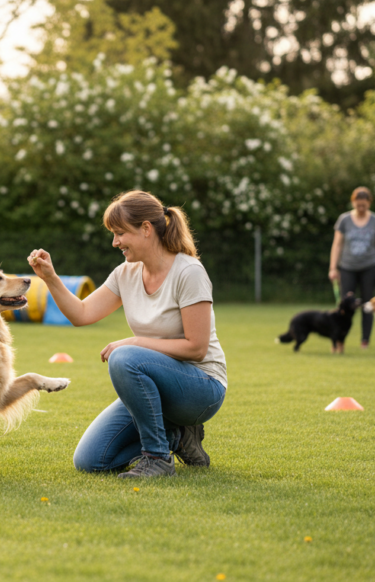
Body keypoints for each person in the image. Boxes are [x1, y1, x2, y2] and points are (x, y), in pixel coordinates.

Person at [27, 190, 227, 478]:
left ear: (146, 229)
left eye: (120, 233)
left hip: (201, 387)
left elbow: (196, 348)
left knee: (124, 357)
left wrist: (134, 342)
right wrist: (50, 277)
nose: (115, 242)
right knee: (90, 460)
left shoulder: (189, 272)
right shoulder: (126, 273)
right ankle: (178, 438)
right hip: (158, 387)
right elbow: (81, 314)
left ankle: (158, 458)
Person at [328, 187, 375, 348]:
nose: (361, 208)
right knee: (344, 305)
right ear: (353, 202)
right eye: (358, 205)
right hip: (347, 267)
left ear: (369, 203)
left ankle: (365, 340)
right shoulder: (344, 220)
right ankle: (339, 341)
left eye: (364, 205)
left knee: (367, 304)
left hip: (370, 267)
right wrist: (333, 268)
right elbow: (337, 244)